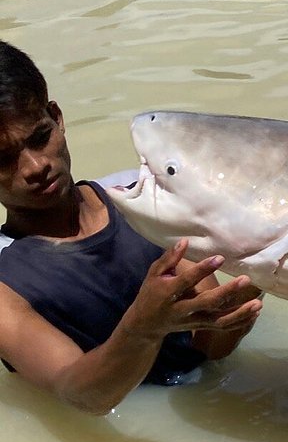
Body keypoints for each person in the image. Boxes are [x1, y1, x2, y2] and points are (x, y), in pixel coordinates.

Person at [0, 42, 262, 415]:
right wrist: (142, 328)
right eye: (4, 159)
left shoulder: (141, 201)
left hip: (214, 410)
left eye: (41, 137)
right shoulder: (5, 285)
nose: (35, 166)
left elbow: (211, 347)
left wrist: (258, 268)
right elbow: (81, 395)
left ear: (57, 118)